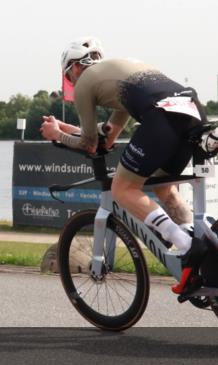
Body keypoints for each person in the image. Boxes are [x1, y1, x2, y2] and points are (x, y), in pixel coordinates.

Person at [40, 37, 208, 296]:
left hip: (162, 116)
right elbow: (108, 136)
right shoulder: (119, 73)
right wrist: (63, 128)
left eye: (68, 78)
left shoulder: (85, 82)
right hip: (191, 109)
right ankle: (205, 250)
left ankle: (186, 245)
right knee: (165, 189)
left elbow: (89, 144)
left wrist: (56, 135)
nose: (72, 84)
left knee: (122, 189)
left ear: (74, 68)